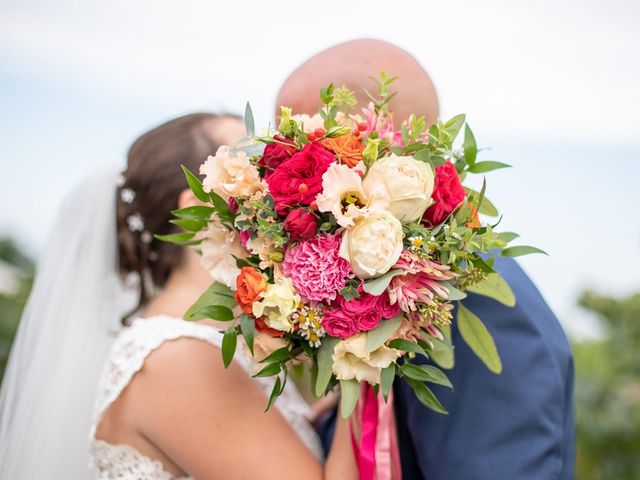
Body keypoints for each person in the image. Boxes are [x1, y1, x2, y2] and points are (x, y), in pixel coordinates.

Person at [277, 39, 576, 480]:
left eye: (298, 147)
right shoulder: (388, 281)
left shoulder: (470, 300)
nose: (281, 173)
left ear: (371, 148)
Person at [0, 112, 357, 479]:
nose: (277, 179)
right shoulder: (179, 356)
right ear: (198, 206)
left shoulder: (215, 341)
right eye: (254, 169)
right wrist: (363, 362)